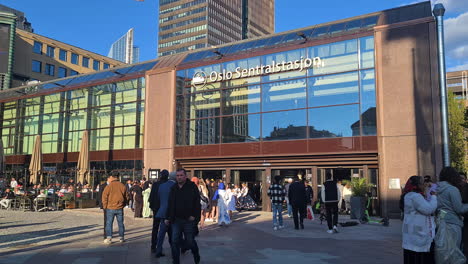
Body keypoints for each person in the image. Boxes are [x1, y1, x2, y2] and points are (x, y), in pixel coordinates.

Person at [166, 169, 201, 264]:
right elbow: (170, 204)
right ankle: (176, 261)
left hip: (188, 219)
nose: (179, 177)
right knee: (174, 241)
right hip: (176, 219)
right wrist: (167, 217)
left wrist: (195, 216)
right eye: (177, 175)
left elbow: (197, 203)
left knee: (190, 241)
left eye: (181, 175)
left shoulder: (192, 187)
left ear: (185, 176)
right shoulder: (173, 188)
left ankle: (196, 254)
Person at [401, 175, 437, 264]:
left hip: (411, 234)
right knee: (419, 259)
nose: (424, 185)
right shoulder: (415, 197)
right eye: (422, 183)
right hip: (418, 236)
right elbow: (429, 209)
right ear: (417, 185)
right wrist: (434, 197)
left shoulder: (408, 195)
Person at [435, 167, 468, 263]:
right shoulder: (452, 189)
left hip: (441, 221)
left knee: (442, 251)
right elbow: (459, 208)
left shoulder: (436, 188)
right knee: (453, 252)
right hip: (453, 223)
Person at [102, 174, 129, 244]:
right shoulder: (122, 185)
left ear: (112, 177)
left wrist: (105, 206)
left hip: (110, 208)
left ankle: (109, 238)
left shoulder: (109, 186)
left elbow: (104, 196)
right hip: (119, 208)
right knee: (120, 223)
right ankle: (121, 237)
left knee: (109, 223)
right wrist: (123, 204)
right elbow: (127, 197)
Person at [154, 171, 176, 258]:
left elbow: (159, 198)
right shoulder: (176, 186)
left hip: (163, 212)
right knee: (175, 233)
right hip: (174, 213)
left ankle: (158, 250)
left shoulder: (162, 186)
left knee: (161, 233)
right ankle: (175, 250)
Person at [149, 170, 169, 253]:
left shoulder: (156, 184)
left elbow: (152, 197)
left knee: (155, 227)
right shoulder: (169, 184)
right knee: (169, 228)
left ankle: (154, 245)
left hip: (157, 209)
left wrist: (152, 207)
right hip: (165, 209)